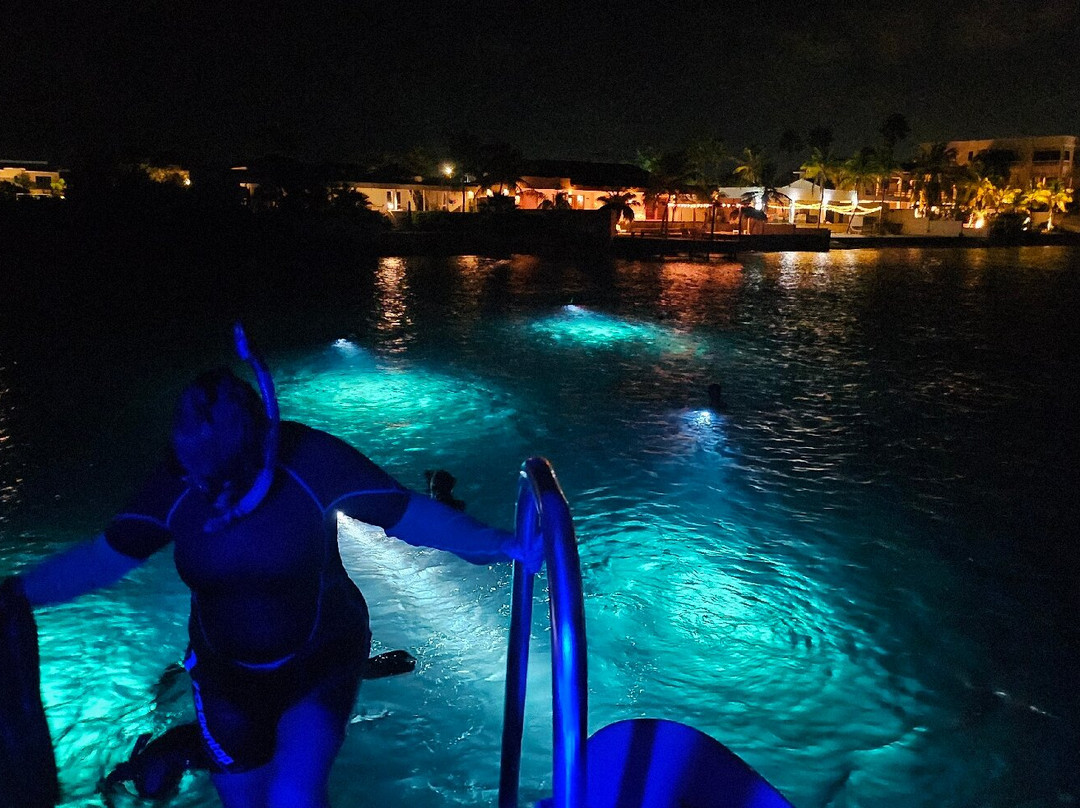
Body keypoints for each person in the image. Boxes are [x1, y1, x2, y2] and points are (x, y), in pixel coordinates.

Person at [7, 346, 541, 808]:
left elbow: (408, 514)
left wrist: (501, 545)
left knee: (294, 797)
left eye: (214, 477)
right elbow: (103, 559)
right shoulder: (174, 485)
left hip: (322, 656)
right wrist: (14, 595)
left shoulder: (309, 460)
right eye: (190, 472)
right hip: (224, 676)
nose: (204, 492)